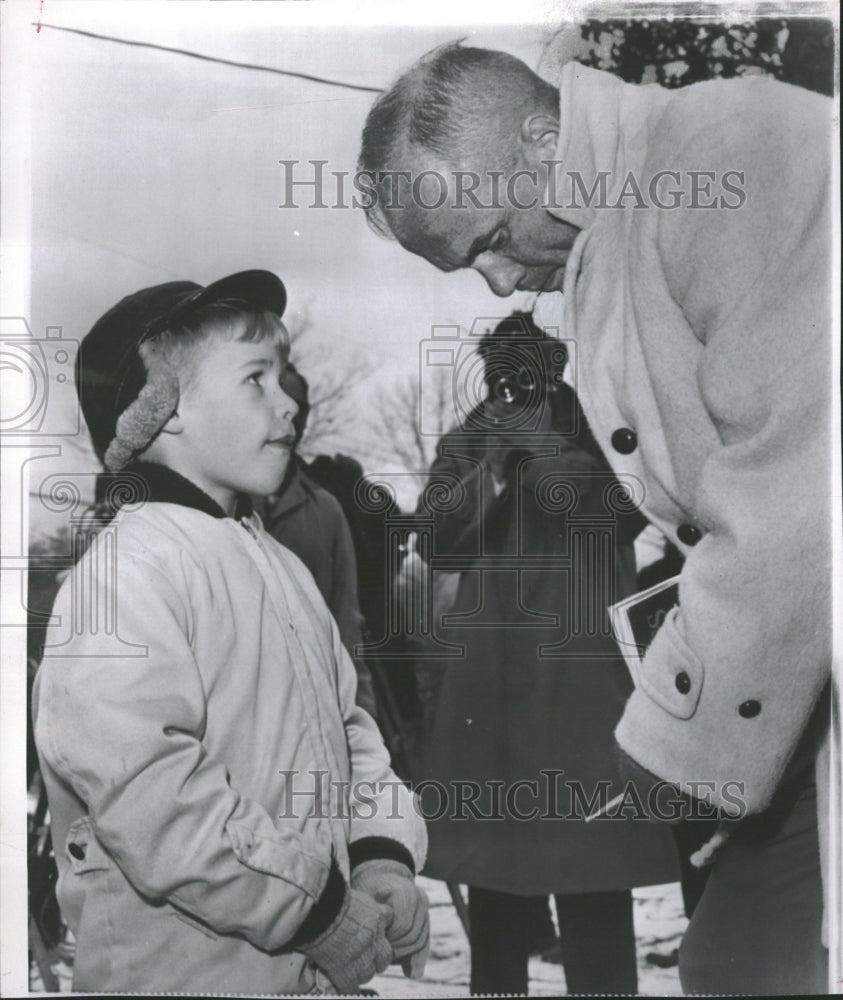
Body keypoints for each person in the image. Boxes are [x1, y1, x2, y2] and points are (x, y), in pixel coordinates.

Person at [358, 43, 834, 994]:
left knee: (706, 951)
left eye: (489, 236)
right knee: (730, 963)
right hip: (522, 701)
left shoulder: (719, 152)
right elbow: (440, 538)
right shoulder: (600, 250)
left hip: (659, 690)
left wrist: (684, 747)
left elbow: (789, 483)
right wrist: (482, 459)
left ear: (541, 143)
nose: (496, 279)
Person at [32, 271, 429, 994]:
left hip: (297, 965)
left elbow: (348, 733)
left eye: (284, 378)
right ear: (164, 411)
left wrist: (379, 856)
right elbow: (150, 795)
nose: (288, 404)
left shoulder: (279, 565)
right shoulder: (126, 574)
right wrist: (317, 914)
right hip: (174, 974)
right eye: (256, 380)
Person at [417, 314, 678, 995]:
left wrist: (544, 456)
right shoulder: (470, 437)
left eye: (525, 363)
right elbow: (437, 542)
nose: (511, 379)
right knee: (498, 880)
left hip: (582, 686)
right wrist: (494, 470)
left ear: (554, 365)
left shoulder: (601, 423)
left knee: (594, 878)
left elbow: (636, 509)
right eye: (498, 366)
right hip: (494, 692)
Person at [259, 361, 378, 717]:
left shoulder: (325, 510)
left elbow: (345, 622)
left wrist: (361, 717)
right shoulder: (216, 498)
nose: (285, 417)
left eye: (296, 409)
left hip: (309, 705)